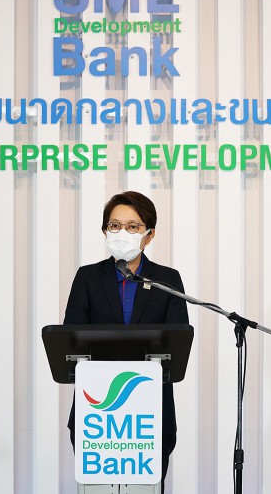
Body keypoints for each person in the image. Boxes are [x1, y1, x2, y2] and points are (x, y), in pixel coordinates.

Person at [63, 191, 190, 490]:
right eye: (115, 225)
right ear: (105, 231)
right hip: (97, 413)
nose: (122, 232)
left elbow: (176, 344)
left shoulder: (168, 280)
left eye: (133, 227)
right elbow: (72, 338)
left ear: (149, 235)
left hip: (151, 412)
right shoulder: (87, 278)